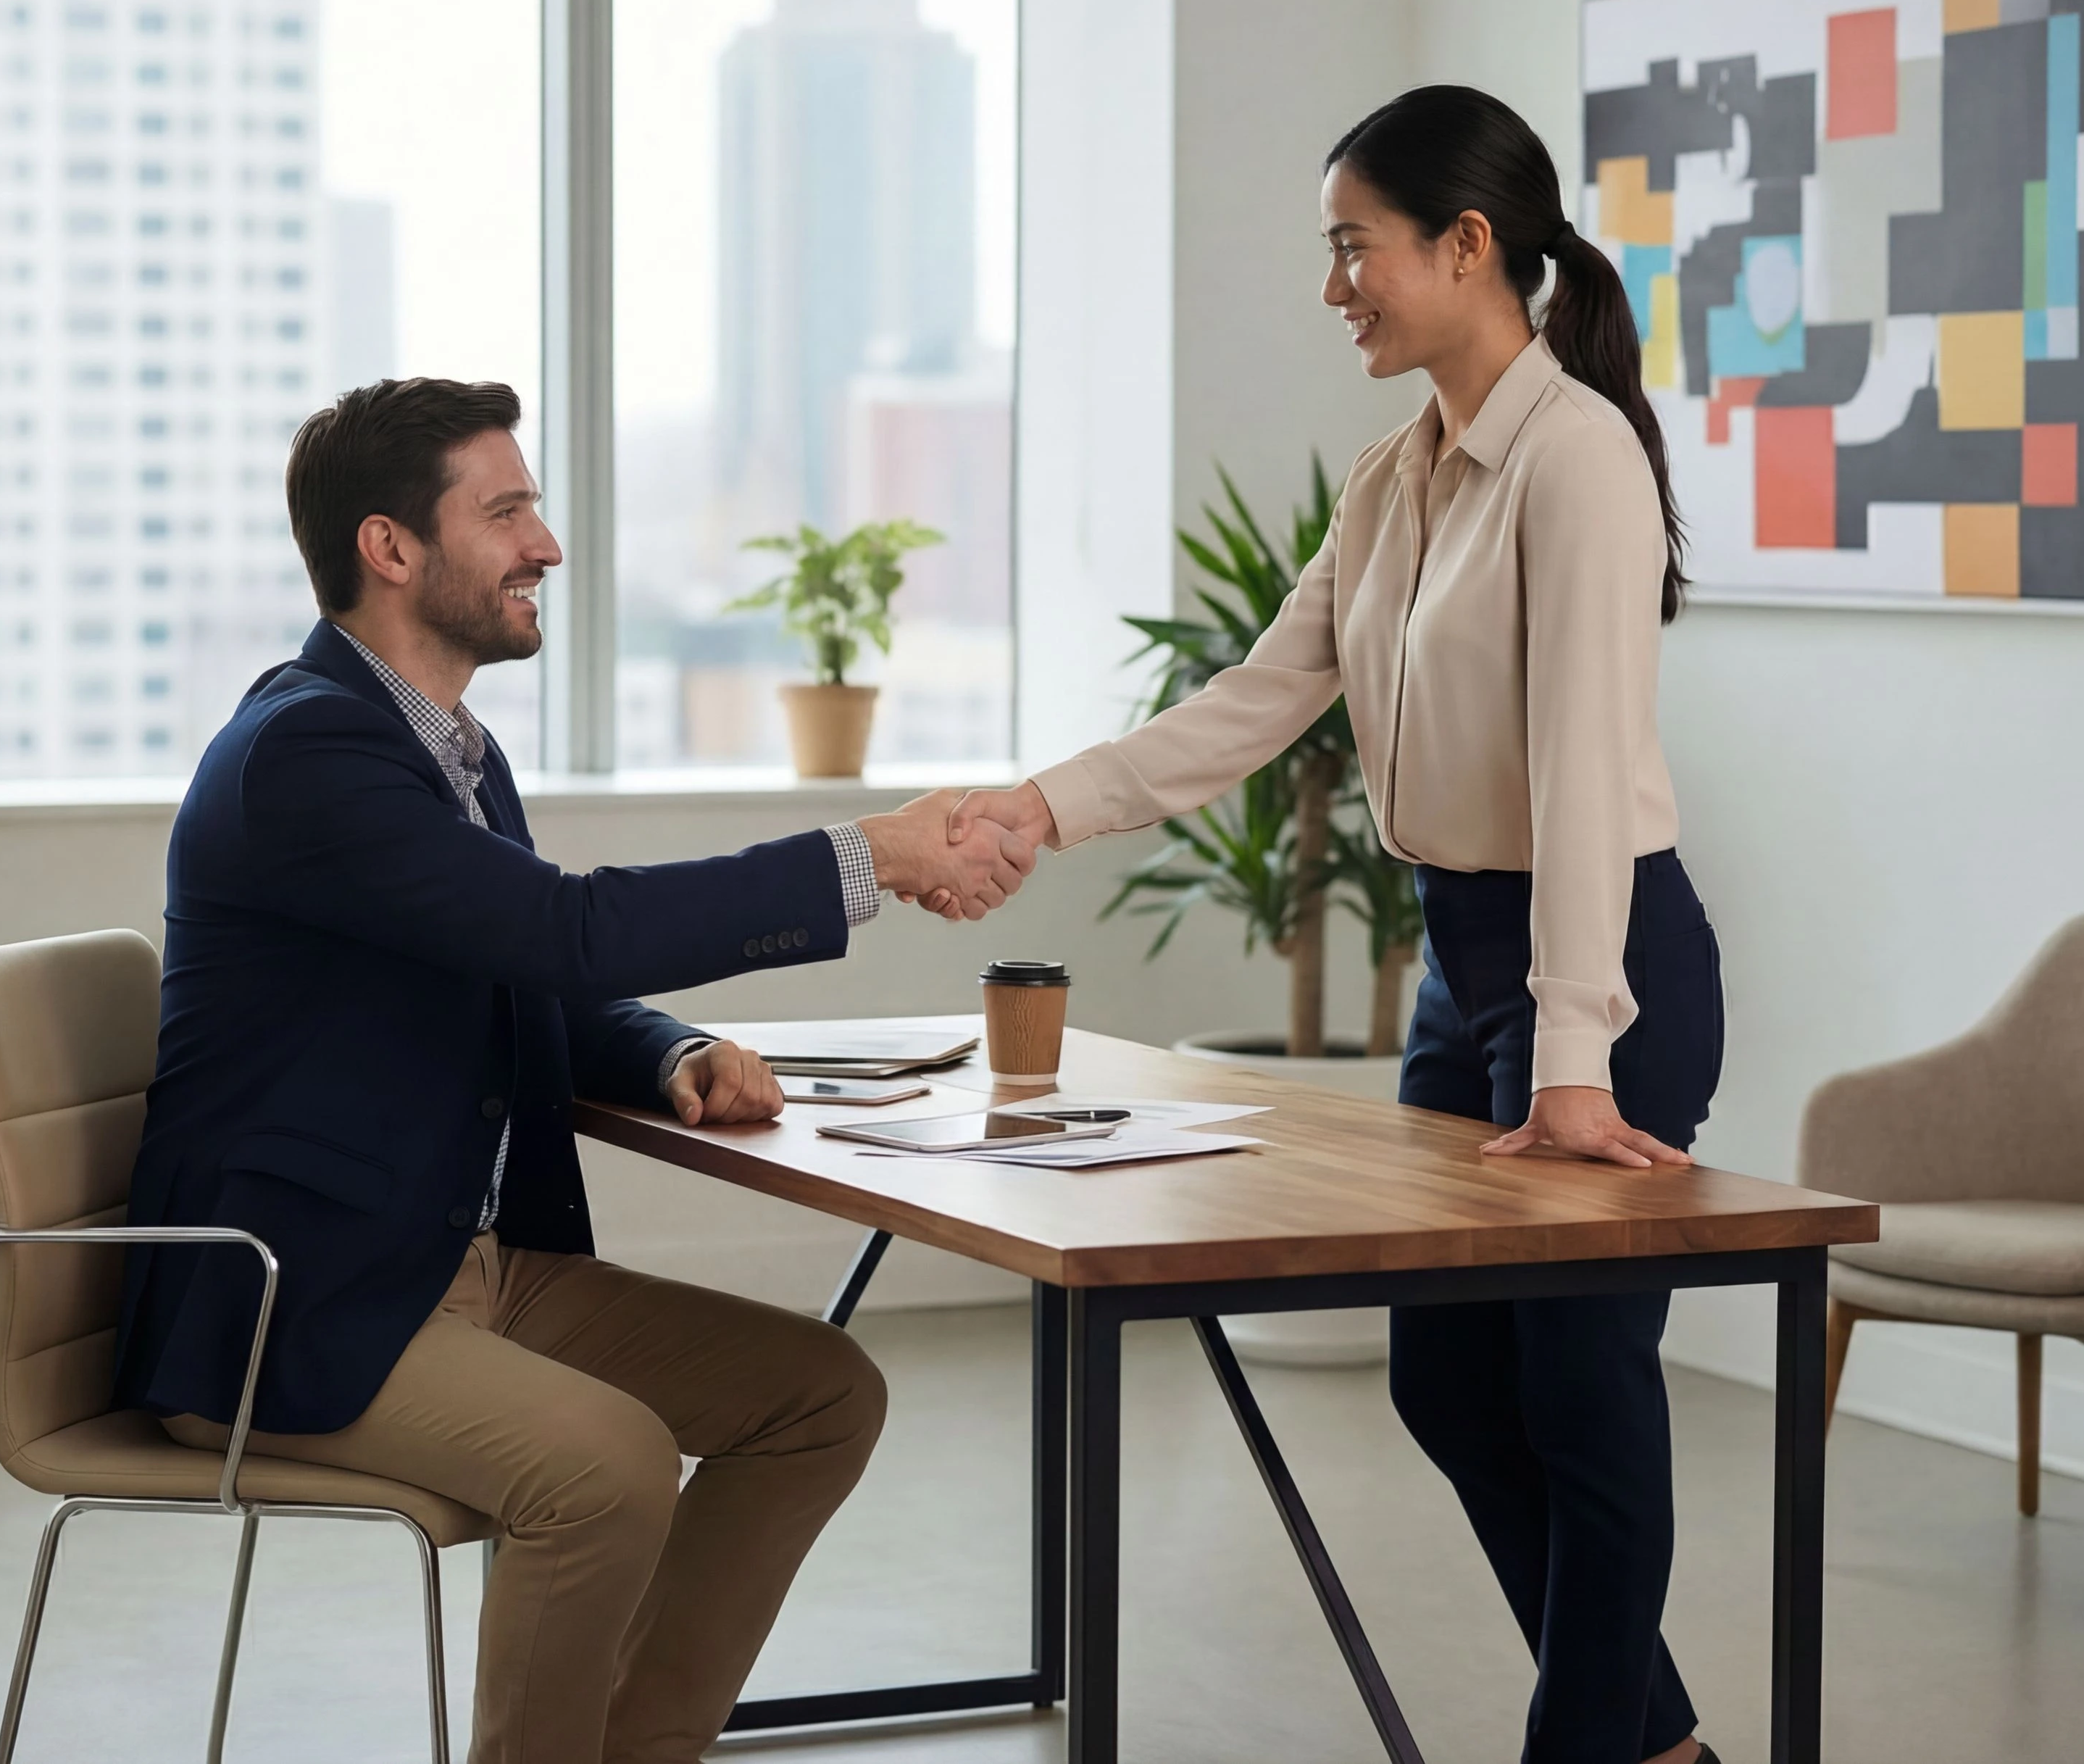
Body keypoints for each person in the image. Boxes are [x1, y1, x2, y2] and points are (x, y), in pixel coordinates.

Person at [945, 86, 1722, 1764]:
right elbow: (1256, 699)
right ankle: (1652, 1742)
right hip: (1466, 967)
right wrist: (1038, 806)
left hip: (1598, 967)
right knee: (1446, 1385)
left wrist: (1573, 1059)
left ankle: (1589, 1747)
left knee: (1582, 1404)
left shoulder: (1573, 455)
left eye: (1350, 248)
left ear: (1465, 246)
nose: (1334, 288)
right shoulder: (1397, 474)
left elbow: (1584, 773)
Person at [114, 375, 1039, 1764]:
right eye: (508, 509)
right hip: (297, 1297)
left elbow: (527, 965)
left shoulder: (448, 758)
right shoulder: (306, 753)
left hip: (460, 1267)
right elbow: (565, 923)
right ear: (391, 548)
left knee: (820, 1396)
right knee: (602, 1470)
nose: (545, 542)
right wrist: (878, 854)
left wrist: (666, 1046)